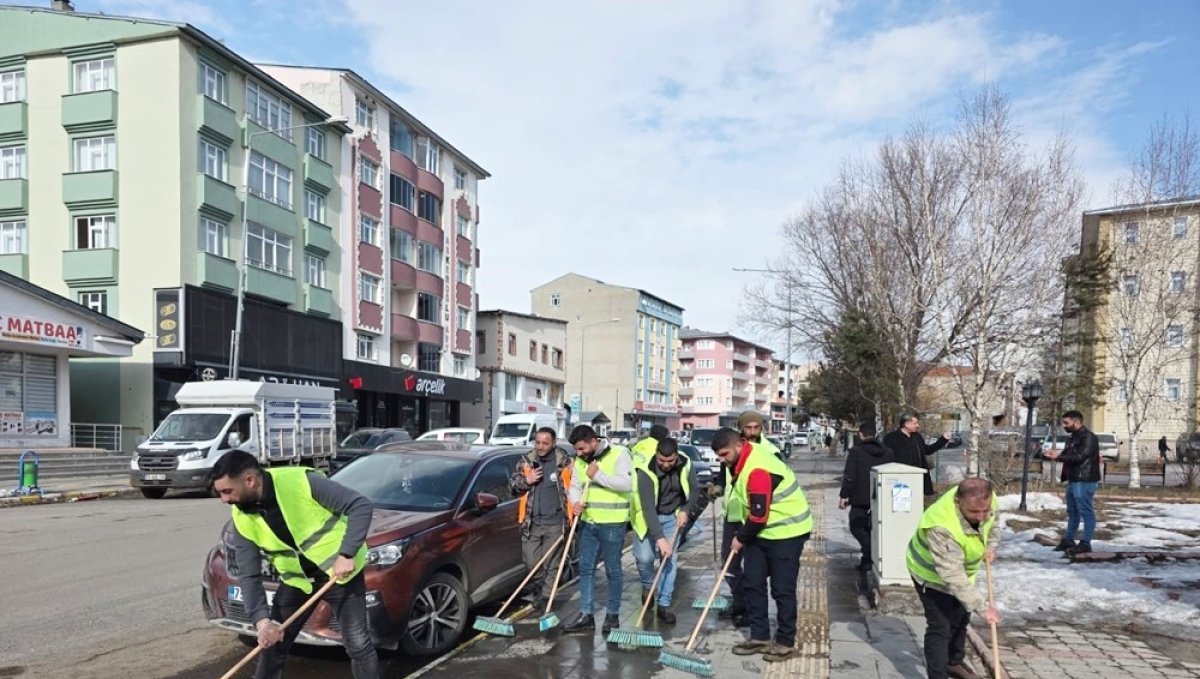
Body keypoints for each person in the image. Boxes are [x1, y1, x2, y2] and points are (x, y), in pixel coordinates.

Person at [210, 451, 379, 679]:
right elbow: (248, 575)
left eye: (227, 491)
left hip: (339, 575)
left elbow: (359, 505)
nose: (223, 500)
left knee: (358, 644)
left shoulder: (301, 482)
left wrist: (347, 553)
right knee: (271, 643)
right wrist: (262, 623)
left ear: (250, 480)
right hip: (298, 581)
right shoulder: (241, 517)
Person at [711, 427, 810, 663]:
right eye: (718, 457)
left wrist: (739, 538)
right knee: (753, 582)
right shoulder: (740, 460)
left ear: (739, 445)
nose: (722, 460)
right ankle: (759, 637)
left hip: (788, 531)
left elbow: (758, 515)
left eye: (724, 455)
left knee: (782, 588)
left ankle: (785, 642)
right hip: (762, 532)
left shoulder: (758, 468)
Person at [907, 478, 1001, 679]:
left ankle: (953, 662)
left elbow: (993, 524)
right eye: (974, 512)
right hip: (930, 575)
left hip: (963, 572)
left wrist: (990, 546)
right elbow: (951, 574)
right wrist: (982, 607)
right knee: (940, 626)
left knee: (961, 617)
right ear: (959, 502)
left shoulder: (988, 500)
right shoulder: (941, 525)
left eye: (984, 511)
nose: (981, 517)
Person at [563, 424, 633, 635]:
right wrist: (575, 502)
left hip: (612, 522)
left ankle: (612, 615)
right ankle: (586, 614)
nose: (579, 453)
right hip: (588, 522)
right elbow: (574, 486)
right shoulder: (580, 460)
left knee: (612, 570)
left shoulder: (619, 453)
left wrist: (598, 475)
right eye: (576, 449)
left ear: (594, 441)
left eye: (582, 448)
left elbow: (627, 484)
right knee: (585, 569)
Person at [713, 410, 778, 626]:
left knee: (754, 568)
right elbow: (724, 476)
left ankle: (753, 609)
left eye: (756, 427)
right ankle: (740, 602)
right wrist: (717, 487)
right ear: (741, 430)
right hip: (734, 514)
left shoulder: (770, 451)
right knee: (729, 563)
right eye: (748, 428)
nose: (752, 432)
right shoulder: (730, 449)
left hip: (758, 519)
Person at [631, 437, 703, 623]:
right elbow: (648, 508)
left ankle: (664, 604)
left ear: (676, 455)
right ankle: (648, 586)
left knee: (669, 559)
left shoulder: (685, 464)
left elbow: (695, 490)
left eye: (669, 461)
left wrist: (685, 510)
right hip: (646, 519)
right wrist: (660, 538)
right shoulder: (645, 470)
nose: (665, 465)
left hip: (672, 517)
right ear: (656, 455)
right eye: (661, 460)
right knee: (645, 558)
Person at [509, 426, 573, 609]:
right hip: (532, 523)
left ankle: (546, 600)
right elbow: (512, 487)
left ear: (553, 443)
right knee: (531, 563)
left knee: (552, 564)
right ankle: (539, 588)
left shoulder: (565, 463)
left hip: (555, 523)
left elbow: (575, 487)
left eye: (545, 443)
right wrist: (527, 481)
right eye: (537, 442)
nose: (540, 446)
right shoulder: (526, 462)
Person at [839, 422, 895, 571]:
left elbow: (849, 476)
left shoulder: (856, 451)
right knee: (875, 527)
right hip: (881, 496)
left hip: (860, 497)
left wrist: (843, 496)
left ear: (860, 434)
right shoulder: (888, 452)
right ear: (875, 434)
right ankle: (867, 560)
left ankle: (870, 552)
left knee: (857, 526)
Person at [1043, 411, 1101, 555]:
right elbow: (1068, 454)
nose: (1064, 426)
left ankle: (1086, 543)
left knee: (1086, 511)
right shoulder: (1073, 437)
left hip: (1085, 479)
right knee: (1072, 511)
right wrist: (1055, 454)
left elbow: (1080, 457)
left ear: (1076, 422)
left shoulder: (1088, 437)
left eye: (1066, 423)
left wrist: (1059, 457)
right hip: (1073, 479)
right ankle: (1069, 539)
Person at [883, 413, 951, 497]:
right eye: (915, 423)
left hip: (918, 476)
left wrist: (943, 440)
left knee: (917, 501)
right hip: (899, 479)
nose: (918, 426)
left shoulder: (917, 437)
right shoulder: (891, 438)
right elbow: (887, 458)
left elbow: (927, 450)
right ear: (906, 424)